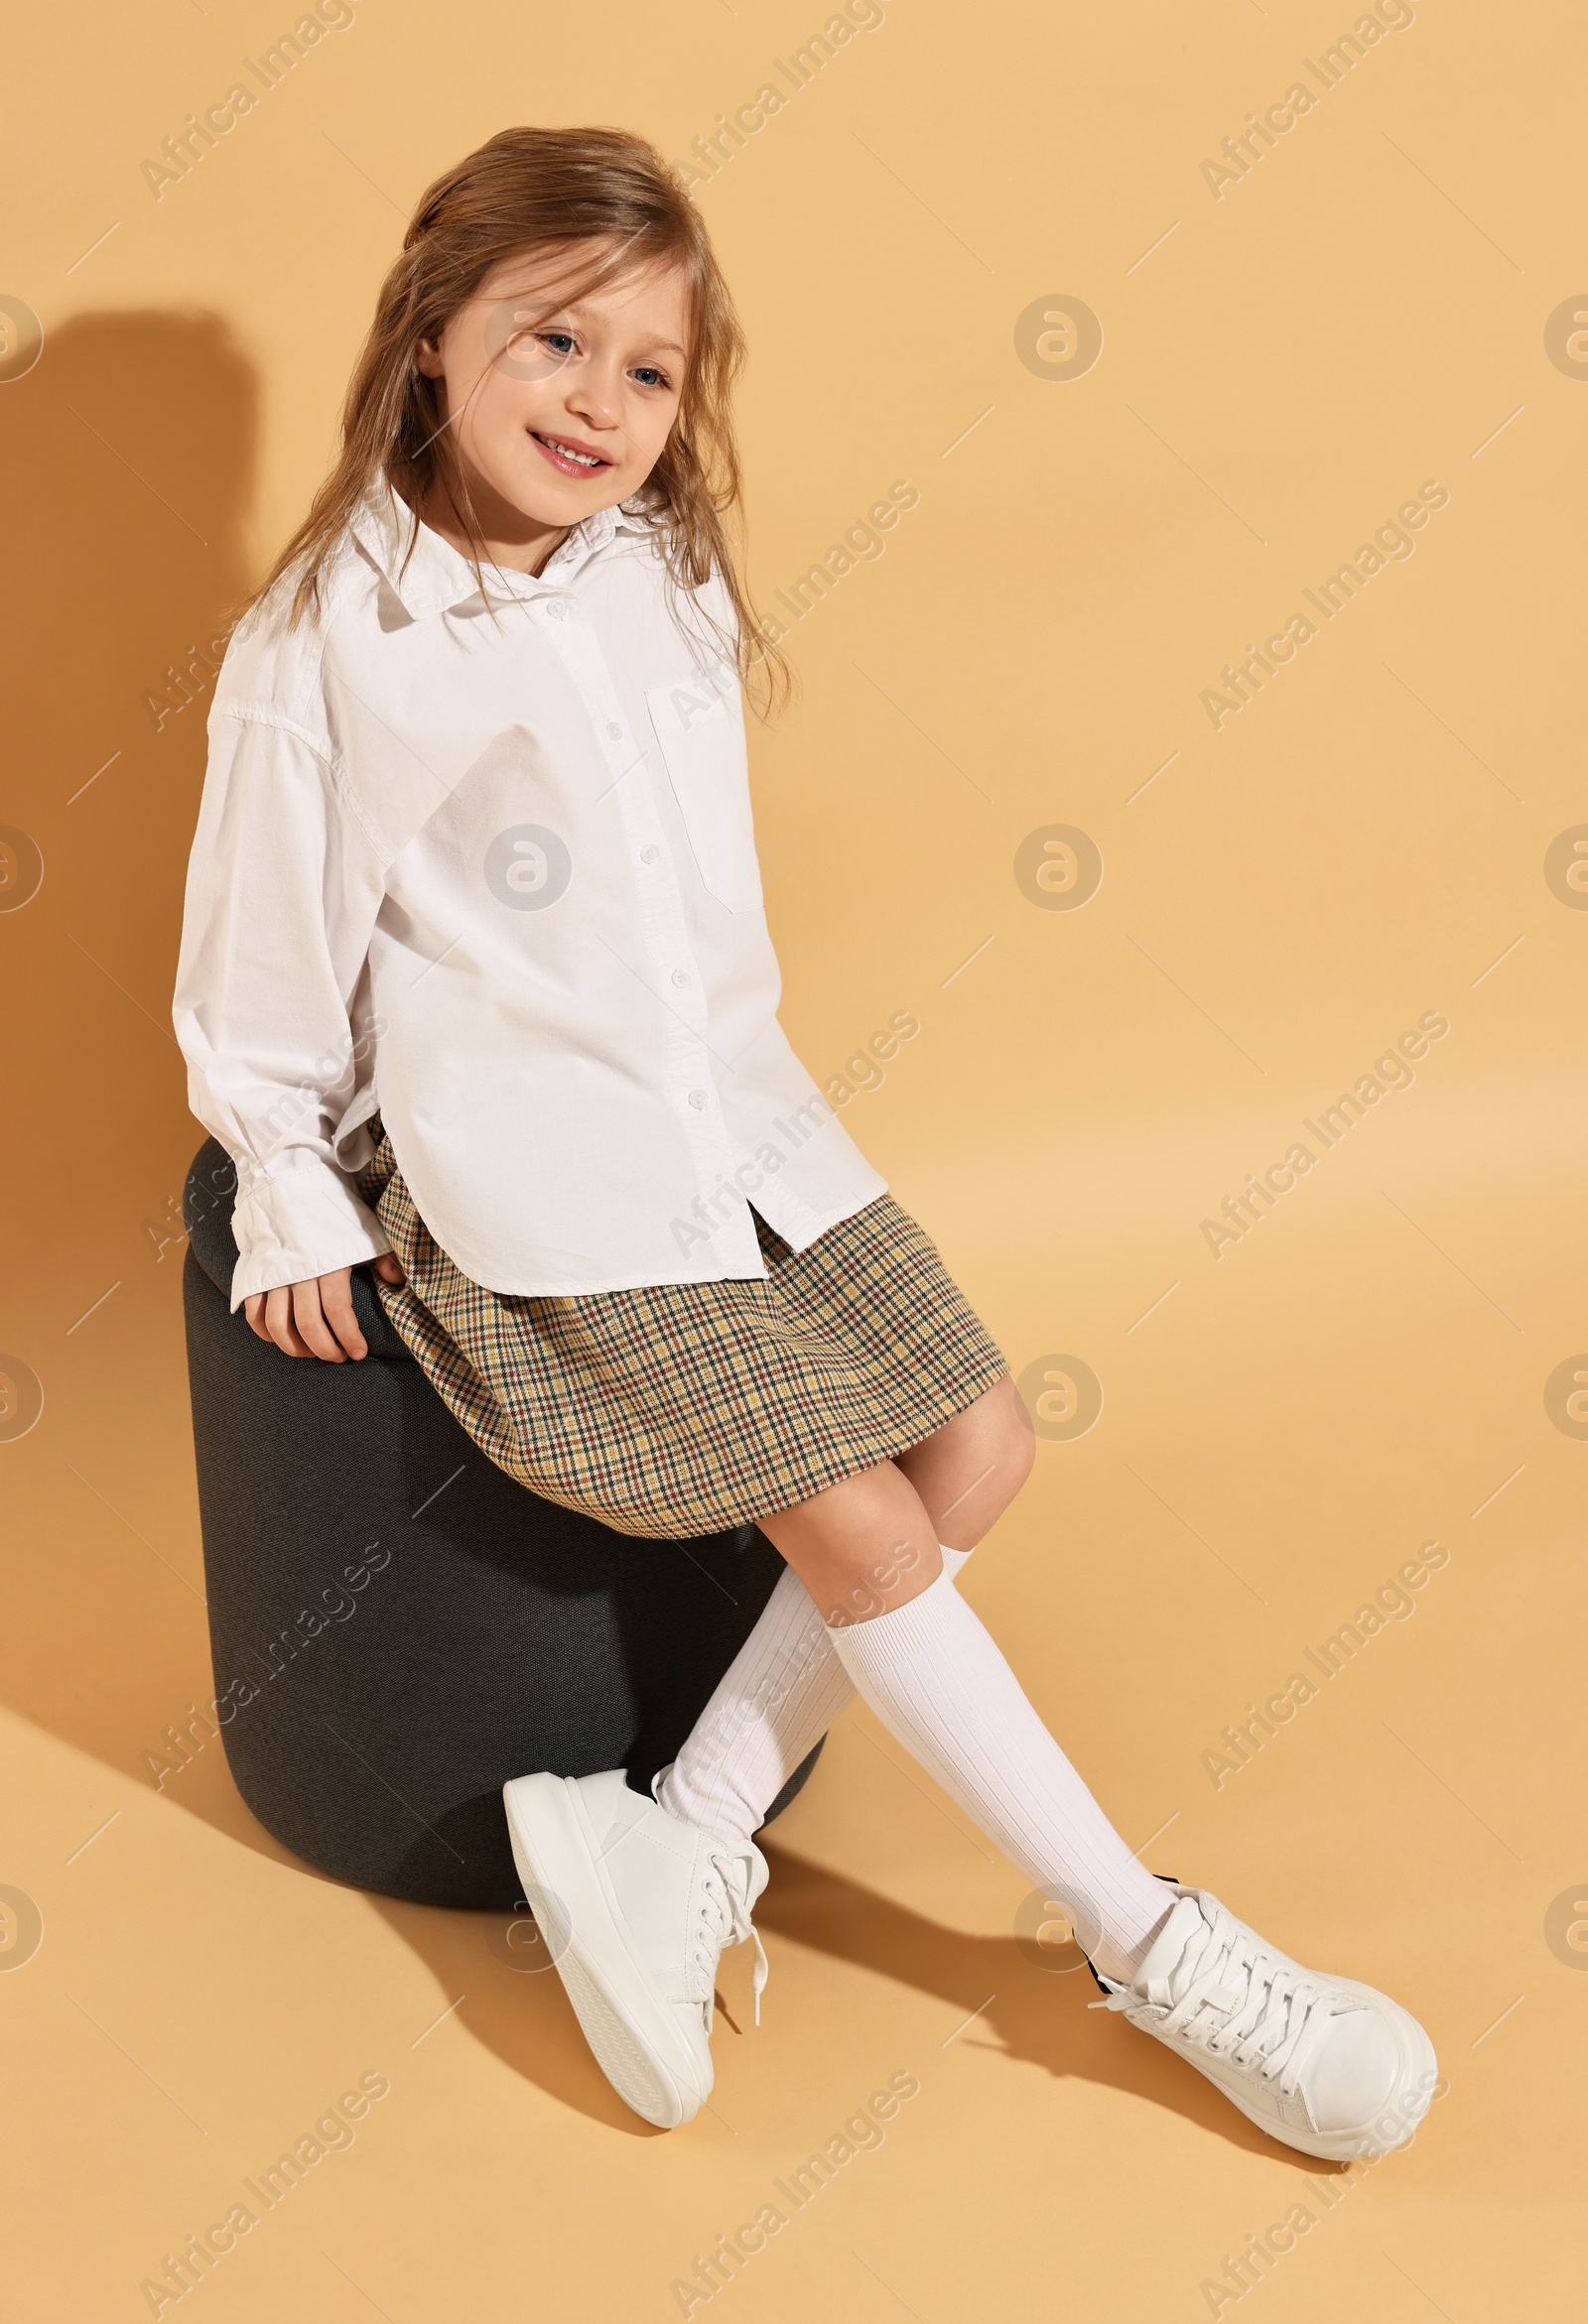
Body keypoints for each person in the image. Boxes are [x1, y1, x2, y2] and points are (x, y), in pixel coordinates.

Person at [174, 125, 1437, 2155]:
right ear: (431, 338)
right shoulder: (328, 645)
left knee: (977, 1446)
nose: (597, 401)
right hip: (538, 1182)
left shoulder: (658, 568)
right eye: (550, 341)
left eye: (647, 369)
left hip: (734, 1130)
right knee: (853, 1524)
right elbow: (252, 984)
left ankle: (675, 1833)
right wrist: (285, 1189)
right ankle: (1148, 1940)